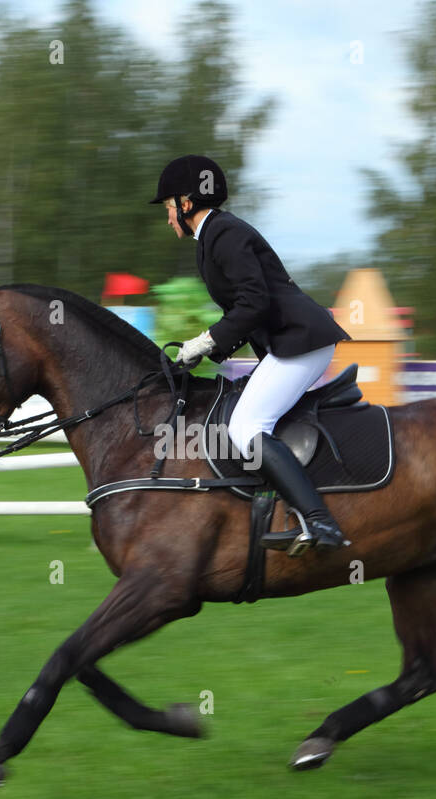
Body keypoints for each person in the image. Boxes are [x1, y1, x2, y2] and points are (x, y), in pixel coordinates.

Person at [151, 154, 352, 554]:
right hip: (289, 342)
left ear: (186, 204)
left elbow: (254, 303)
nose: (169, 216)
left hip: (301, 341)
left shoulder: (224, 234)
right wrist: (208, 348)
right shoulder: (211, 239)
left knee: (245, 427)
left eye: (170, 207)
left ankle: (320, 523)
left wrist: (207, 341)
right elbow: (245, 311)